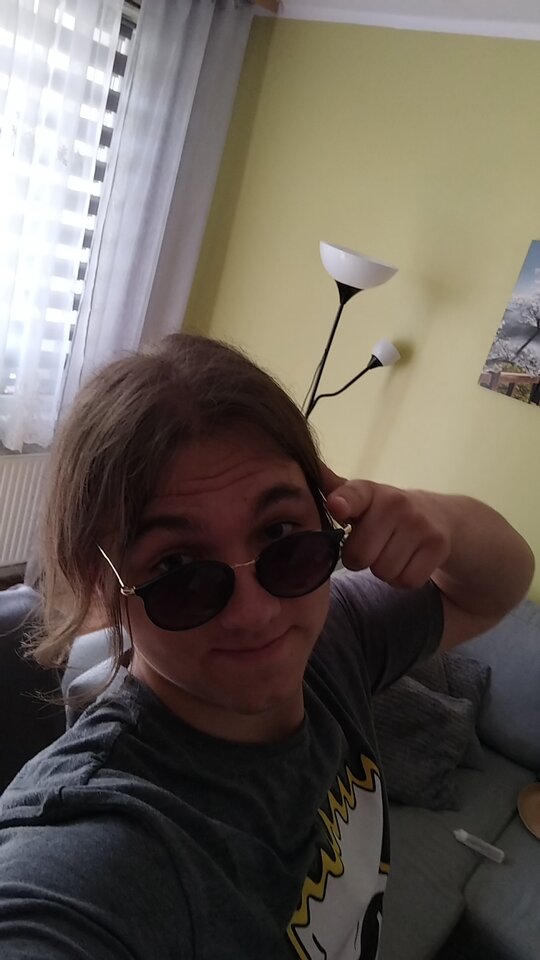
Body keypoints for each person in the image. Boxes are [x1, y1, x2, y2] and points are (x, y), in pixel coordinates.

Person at [0, 333, 534, 960]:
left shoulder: (335, 640)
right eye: (178, 568)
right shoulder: (101, 842)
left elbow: (496, 584)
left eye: (281, 534)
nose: (257, 614)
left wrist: (433, 516)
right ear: (105, 584)